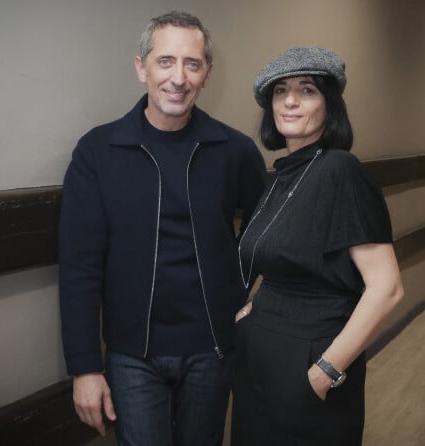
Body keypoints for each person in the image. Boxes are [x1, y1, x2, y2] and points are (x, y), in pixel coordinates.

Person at [58, 11, 266, 446]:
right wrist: (84, 367)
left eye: (192, 64)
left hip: (211, 350)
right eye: (165, 61)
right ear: (142, 68)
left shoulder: (235, 152)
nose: (178, 77)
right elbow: (79, 266)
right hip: (133, 357)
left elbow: (266, 233)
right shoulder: (98, 152)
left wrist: (247, 297)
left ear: (207, 74)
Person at [231, 47, 404, 445]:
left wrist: (325, 371)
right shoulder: (281, 176)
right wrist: (255, 310)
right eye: (280, 91)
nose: (289, 100)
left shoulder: (341, 172)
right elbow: (284, 259)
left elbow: (387, 288)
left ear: (330, 105)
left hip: (311, 360)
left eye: (306, 90)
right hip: (260, 358)